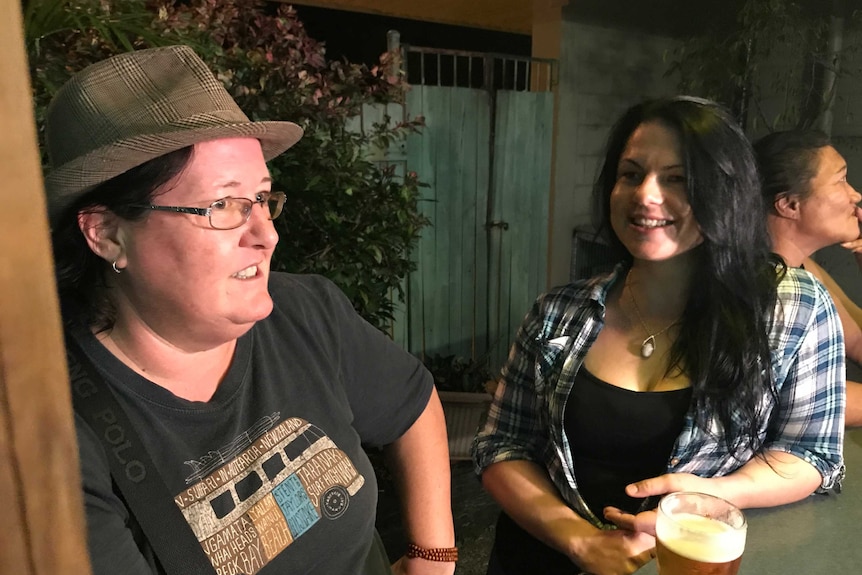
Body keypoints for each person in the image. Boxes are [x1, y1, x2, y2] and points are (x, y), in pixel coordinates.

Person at [45, 45, 456, 575]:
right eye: (223, 206)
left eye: (262, 198)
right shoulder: (57, 437)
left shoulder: (305, 313)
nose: (266, 234)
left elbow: (412, 403)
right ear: (106, 233)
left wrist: (434, 556)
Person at [472, 97, 846, 575]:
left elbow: (809, 453)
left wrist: (712, 494)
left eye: (679, 178)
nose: (645, 195)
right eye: (631, 174)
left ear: (725, 191)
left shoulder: (792, 307)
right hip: (539, 559)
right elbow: (501, 444)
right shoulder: (559, 313)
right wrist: (580, 542)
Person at [754, 129, 862, 427]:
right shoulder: (760, 286)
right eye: (841, 180)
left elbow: (857, 343)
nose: (855, 194)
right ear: (789, 204)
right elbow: (801, 401)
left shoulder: (803, 268)